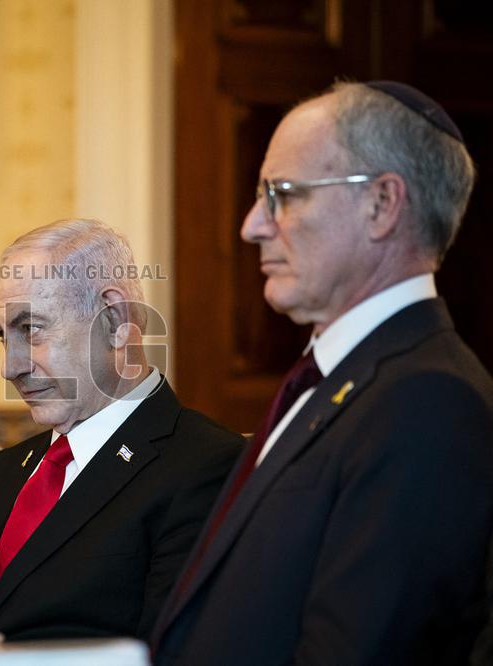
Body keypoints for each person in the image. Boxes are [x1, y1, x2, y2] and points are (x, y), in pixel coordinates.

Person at [150, 81, 493, 665]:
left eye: (282, 194)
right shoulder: (337, 377)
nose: (252, 225)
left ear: (381, 204)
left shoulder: (428, 401)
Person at [0, 219, 243, 640]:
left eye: (31, 329)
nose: (10, 367)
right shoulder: (5, 471)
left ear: (115, 319)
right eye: (2, 336)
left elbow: (173, 650)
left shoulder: (205, 466)